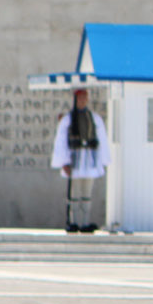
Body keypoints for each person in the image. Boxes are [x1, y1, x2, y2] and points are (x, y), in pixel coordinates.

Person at [50, 86, 110, 233]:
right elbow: (61, 141)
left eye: (85, 98)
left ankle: (85, 222)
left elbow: (102, 139)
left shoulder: (94, 118)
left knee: (86, 193)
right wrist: (64, 161)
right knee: (75, 194)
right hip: (74, 160)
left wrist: (103, 160)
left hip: (89, 159)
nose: (83, 100)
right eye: (81, 97)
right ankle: (73, 221)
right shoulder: (68, 119)